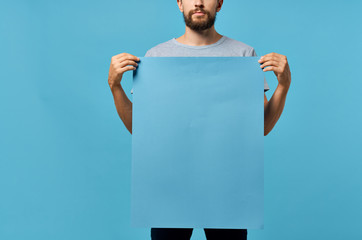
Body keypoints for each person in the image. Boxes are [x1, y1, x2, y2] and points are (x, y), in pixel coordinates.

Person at [108, 0, 291, 239]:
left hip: (228, 187)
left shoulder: (244, 55)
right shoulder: (156, 57)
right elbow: (141, 130)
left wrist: (284, 86)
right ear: (180, 3)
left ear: (220, 3)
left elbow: (262, 127)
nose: (199, 2)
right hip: (169, 187)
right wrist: (115, 87)